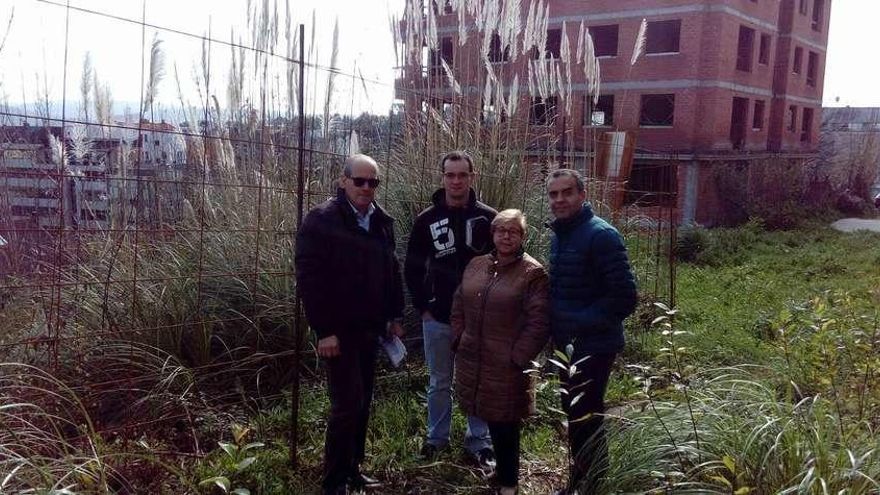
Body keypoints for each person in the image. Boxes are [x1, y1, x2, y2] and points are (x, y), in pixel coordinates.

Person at [295, 154, 405, 495]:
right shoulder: (321, 220)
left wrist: (394, 314)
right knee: (347, 404)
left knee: (364, 400)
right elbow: (309, 280)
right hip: (338, 332)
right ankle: (334, 481)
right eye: (360, 181)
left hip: (370, 328)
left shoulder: (380, 221)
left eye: (373, 182)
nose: (366, 188)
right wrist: (323, 330)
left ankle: (353, 469)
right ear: (343, 182)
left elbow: (392, 270)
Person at [545, 169, 638, 495]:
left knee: (586, 415)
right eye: (553, 194)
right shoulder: (562, 235)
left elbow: (625, 298)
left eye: (566, 192)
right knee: (576, 414)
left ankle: (592, 483)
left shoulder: (601, 235)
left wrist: (576, 323)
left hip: (592, 345)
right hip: (568, 345)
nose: (559, 200)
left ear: (582, 195)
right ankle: (583, 480)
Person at [404, 151, 498, 469]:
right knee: (439, 380)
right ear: (442, 177)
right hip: (438, 317)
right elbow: (413, 268)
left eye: (462, 175)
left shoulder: (490, 218)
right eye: (450, 175)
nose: (456, 181)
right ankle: (436, 439)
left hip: (479, 319)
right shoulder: (426, 220)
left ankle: (479, 442)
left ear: (472, 177)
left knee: (477, 379)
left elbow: (505, 265)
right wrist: (424, 307)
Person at [451, 209, 549, 495]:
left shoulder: (533, 273)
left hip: (507, 363)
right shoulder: (476, 264)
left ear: (523, 237)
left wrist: (518, 357)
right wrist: (458, 337)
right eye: (501, 230)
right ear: (492, 234)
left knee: (506, 421)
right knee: (490, 415)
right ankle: (501, 473)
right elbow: (458, 303)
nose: (506, 236)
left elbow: (539, 321)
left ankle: (509, 484)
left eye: (514, 231)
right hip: (474, 357)